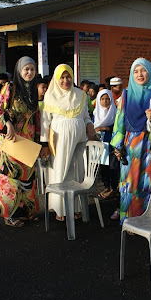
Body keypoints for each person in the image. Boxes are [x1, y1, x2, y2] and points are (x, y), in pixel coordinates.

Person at [0, 57, 41, 227]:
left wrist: (40, 140)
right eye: (26, 69)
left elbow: (37, 117)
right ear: (19, 70)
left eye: (32, 69)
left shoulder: (34, 90)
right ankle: (9, 215)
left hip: (27, 143)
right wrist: (7, 123)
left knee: (27, 179)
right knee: (10, 180)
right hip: (12, 141)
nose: (29, 72)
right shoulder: (10, 87)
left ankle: (27, 212)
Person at [41, 64, 96, 222]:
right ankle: (61, 209)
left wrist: (89, 125)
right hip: (59, 142)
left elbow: (85, 116)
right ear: (57, 79)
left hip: (79, 141)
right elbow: (45, 122)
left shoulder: (80, 94)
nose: (66, 80)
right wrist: (45, 144)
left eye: (68, 77)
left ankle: (76, 208)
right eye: (62, 77)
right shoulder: (50, 96)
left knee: (77, 172)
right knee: (61, 173)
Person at [111, 58, 151, 222]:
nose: (140, 74)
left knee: (150, 181)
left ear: (150, 71)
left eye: (143, 70)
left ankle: (149, 218)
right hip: (131, 145)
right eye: (136, 71)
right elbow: (119, 121)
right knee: (130, 183)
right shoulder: (126, 94)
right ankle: (131, 220)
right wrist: (118, 147)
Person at [93, 89, 118, 200]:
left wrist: (104, 128)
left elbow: (118, 127)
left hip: (111, 143)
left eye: (107, 99)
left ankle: (113, 188)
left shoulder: (114, 112)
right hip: (100, 143)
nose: (105, 101)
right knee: (103, 167)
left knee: (112, 167)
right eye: (102, 99)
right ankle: (106, 187)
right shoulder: (96, 113)